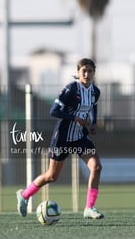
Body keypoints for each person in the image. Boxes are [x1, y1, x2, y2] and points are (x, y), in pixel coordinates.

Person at [16, 58, 104, 219]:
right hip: (62, 138)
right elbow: (54, 111)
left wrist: (93, 122)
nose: (87, 74)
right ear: (78, 73)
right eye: (83, 70)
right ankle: (24, 195)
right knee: (51, 176)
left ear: (94, 73)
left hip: (80, 138)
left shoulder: (95, 91)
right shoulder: (71, 89)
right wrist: (74, 118)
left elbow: (94, 105)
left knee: (97, 167)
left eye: (90, 71)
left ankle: (89, 208)